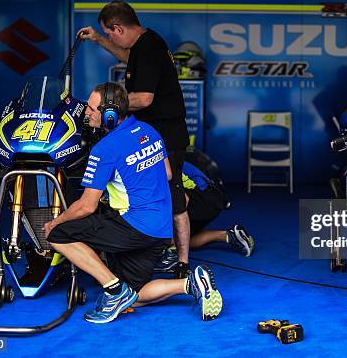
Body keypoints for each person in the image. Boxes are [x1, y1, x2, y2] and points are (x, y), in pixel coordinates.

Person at [44, 83, 222, 323]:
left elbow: (87, 206)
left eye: (92, 108)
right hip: (160, 228)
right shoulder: (149, 130)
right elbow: (168, 174)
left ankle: (113, 289)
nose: (86, 112)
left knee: (60, 235)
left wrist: (56, 221)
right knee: (135, 296)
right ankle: (189, 284)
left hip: (135, 225)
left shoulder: (104, 148)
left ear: (110, 115)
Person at [77, 0, 192, 278]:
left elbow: (144, 98)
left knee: (173, 196)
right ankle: (156, 249)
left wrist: (106, 105)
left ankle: (183, 264)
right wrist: (98, 40)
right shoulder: (143, 46)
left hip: (166, 135)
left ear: (118, 27)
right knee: (151, 194)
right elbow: (129, 59)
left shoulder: (149, 47)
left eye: (109, 32)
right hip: (153, 134)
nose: (111, 37)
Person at [156, 160, 255, 272]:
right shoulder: (165, 155)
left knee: (176, 235)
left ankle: (171, 255)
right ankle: (230, 235)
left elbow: (182, 200)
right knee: (184, 240)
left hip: (202, 199)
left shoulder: (161, 163)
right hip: (211, 197)